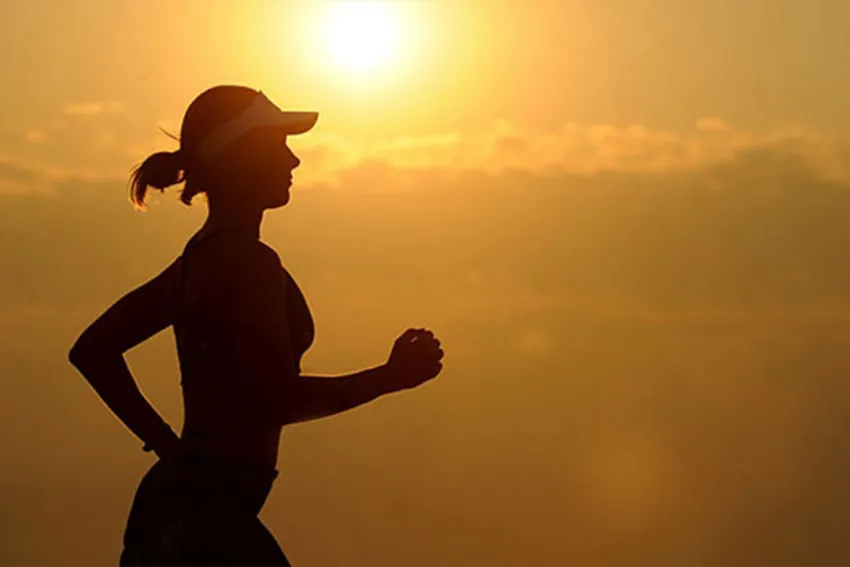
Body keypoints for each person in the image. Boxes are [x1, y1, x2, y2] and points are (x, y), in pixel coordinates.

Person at [67, 85, 445, 566]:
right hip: (201, 524)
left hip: (189, 514)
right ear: (239, 157)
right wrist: (388, 378)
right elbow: (275, 401)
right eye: (278, 146)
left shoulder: (198, 259)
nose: (294, 161)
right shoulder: (245, 262)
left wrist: (168, 446)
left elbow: (93, 350)